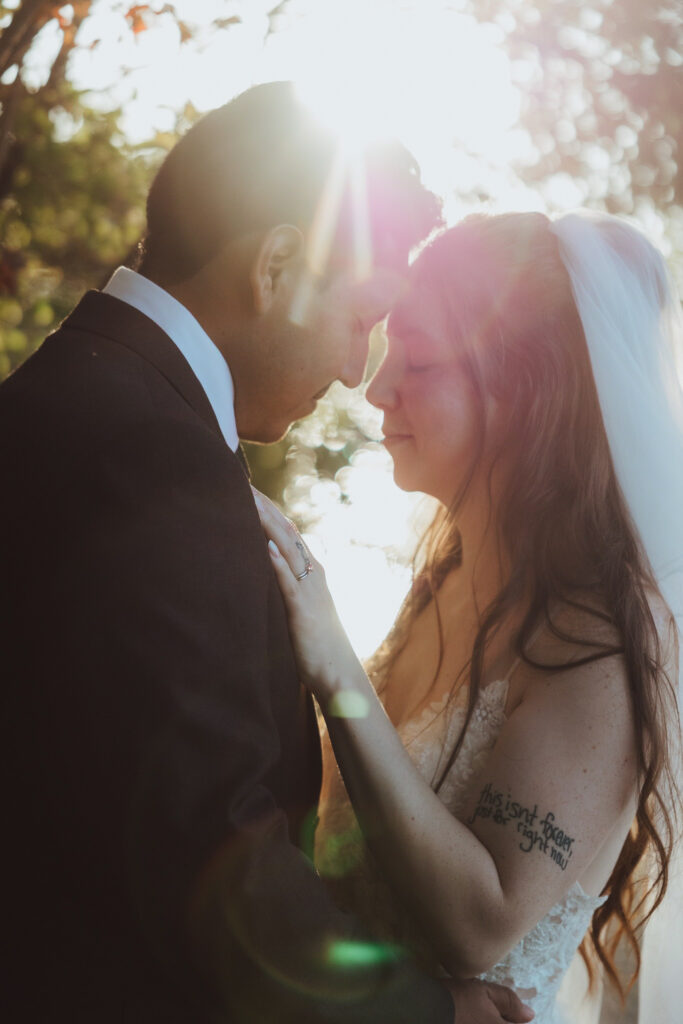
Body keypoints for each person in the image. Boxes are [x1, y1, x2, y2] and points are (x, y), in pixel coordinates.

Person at [0, 83, 536, 1024]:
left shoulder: (85, 397)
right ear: (277, 264)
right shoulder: (148, 451)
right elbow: (200, 845)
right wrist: (432, 1013)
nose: (350, 367)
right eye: (362, 316)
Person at [254, 210, 683, 1024]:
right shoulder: (443, 580)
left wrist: (333, 661)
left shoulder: (606, 639)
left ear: (527, 390)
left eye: (417, 358)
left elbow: (478, 928)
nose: (375, 385)